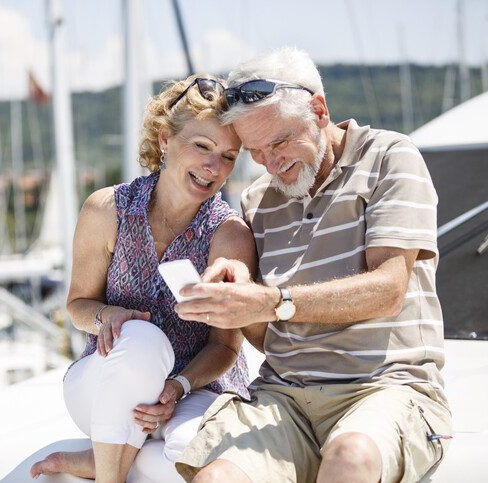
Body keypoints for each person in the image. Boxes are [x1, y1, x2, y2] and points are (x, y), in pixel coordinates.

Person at [173, 47, 452, 483]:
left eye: (279, 142)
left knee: (352, 456)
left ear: (319, 110)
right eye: (256, 151)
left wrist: (274, 301)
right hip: (285, 396)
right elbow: (268, 336)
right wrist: (236, 301)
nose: (270, 162)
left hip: (385, 387)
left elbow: (389, 289)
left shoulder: (390, 158)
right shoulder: (257, 202)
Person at [30, 74, 255, 482]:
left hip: (193, 389)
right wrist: (106, 316)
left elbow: (226, 347)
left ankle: (96, 463)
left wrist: (178, 387)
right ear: (164, 138)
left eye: (228, 156)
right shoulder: (106, 210)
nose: (213, 167)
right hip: (106, 383)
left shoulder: (230, 235)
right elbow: (78, 306)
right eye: (202, 146)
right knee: (141, 338)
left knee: (192, 456)